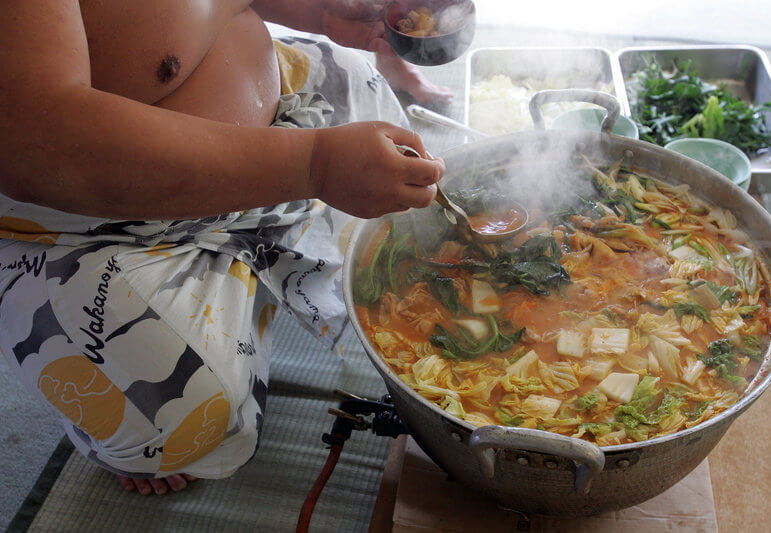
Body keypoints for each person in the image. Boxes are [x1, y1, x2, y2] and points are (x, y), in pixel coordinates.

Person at [0, 0, 449, 496]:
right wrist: (314, 166)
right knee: (181, 422)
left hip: (278, 129)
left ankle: (243, 282)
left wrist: (321, 12)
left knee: (357, 81)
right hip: (102, 219)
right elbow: (34, 145)